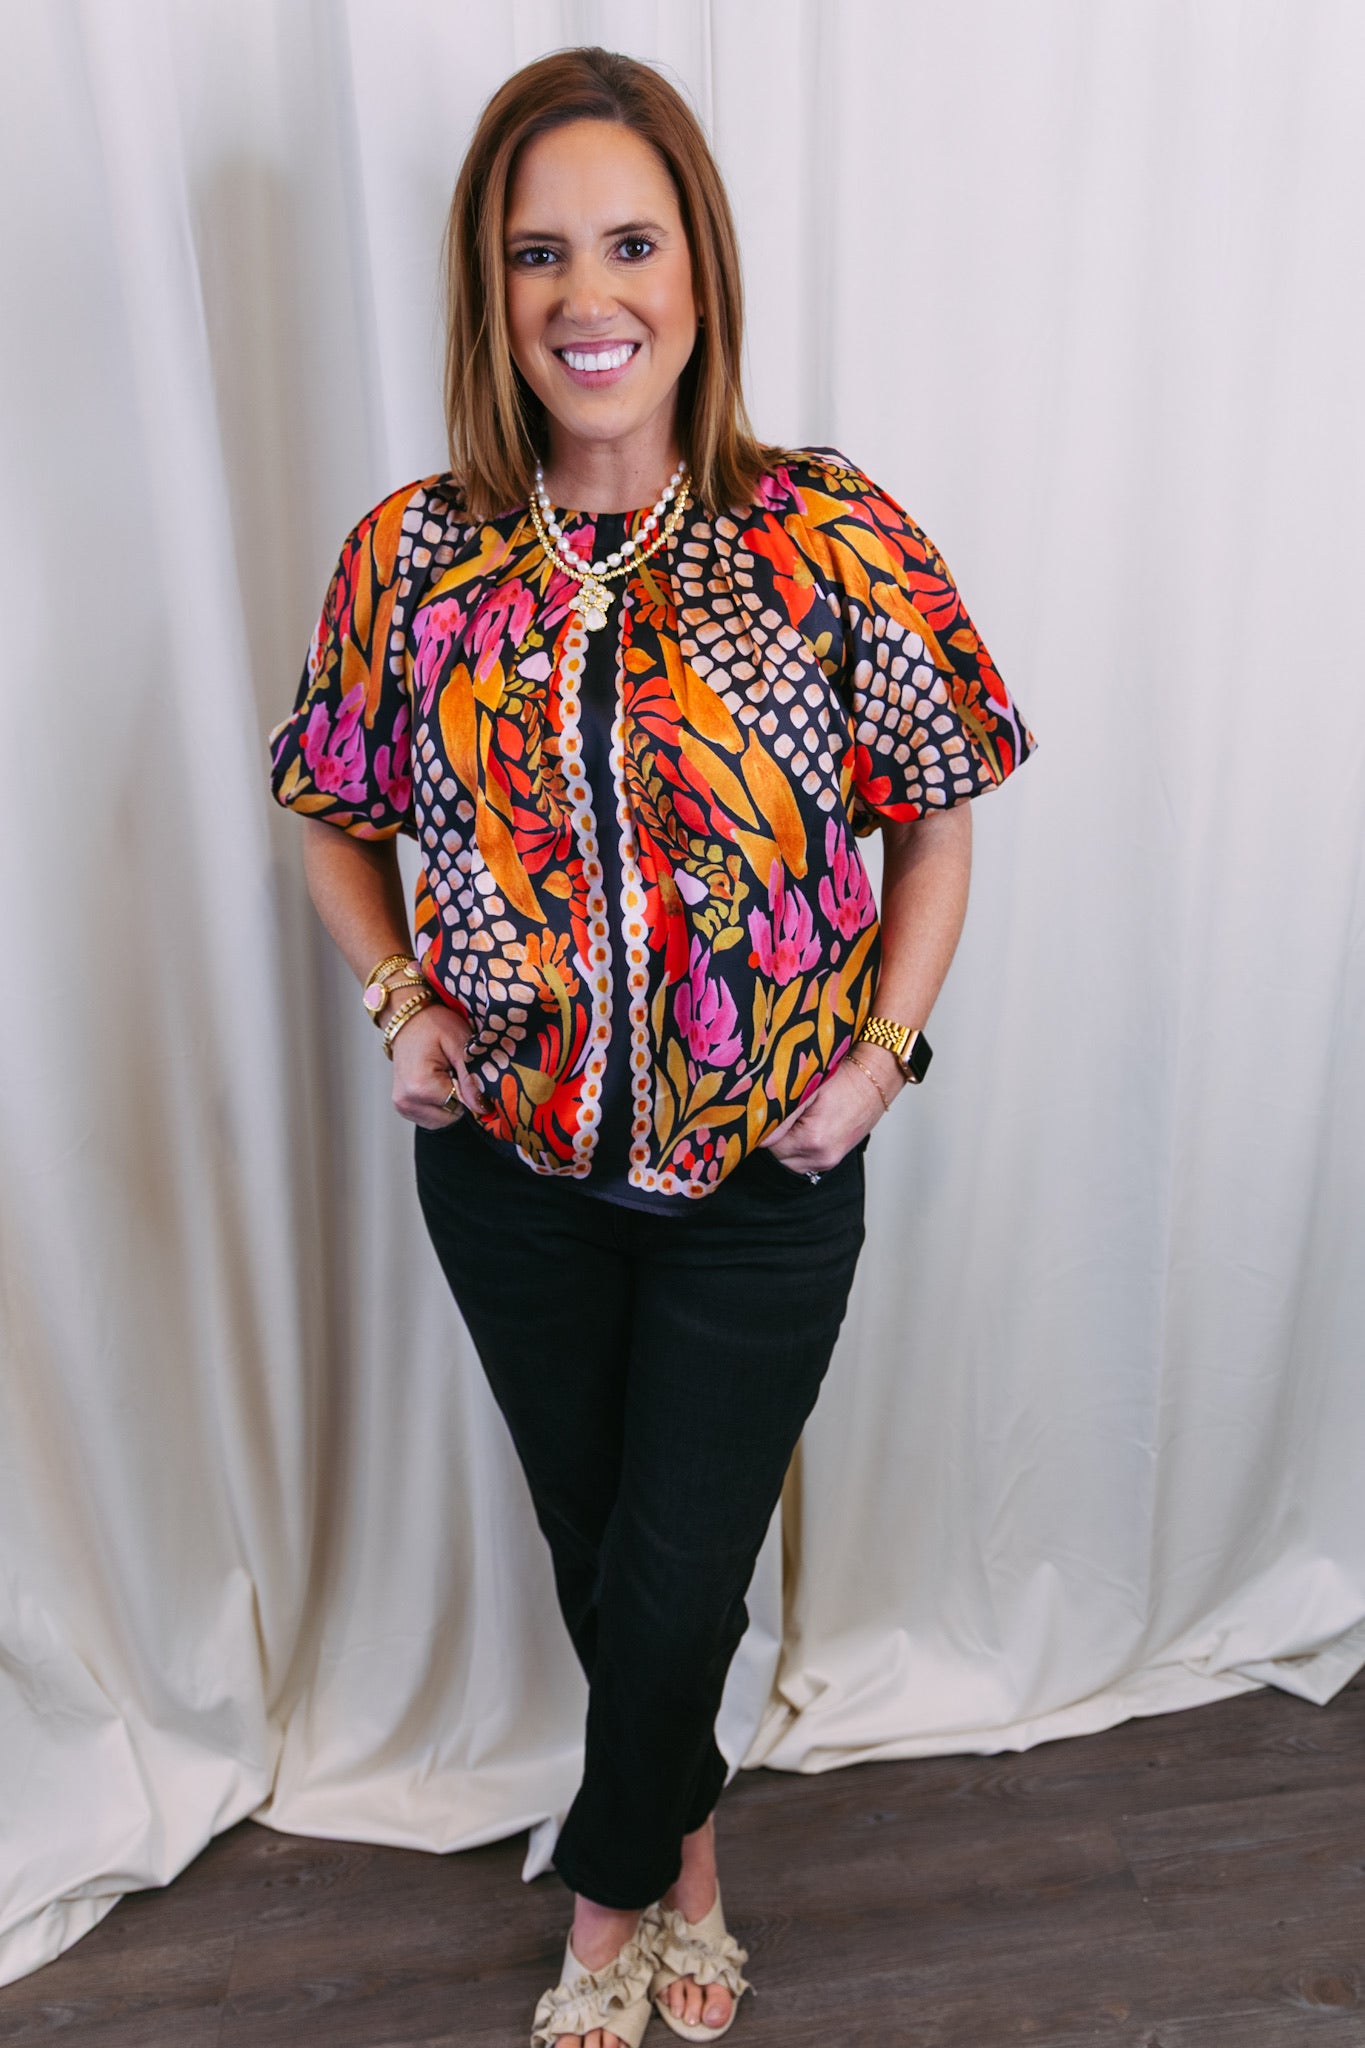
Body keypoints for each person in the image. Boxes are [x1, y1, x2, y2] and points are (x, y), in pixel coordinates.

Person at [269, 44, 1033, 2048]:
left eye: (626, 241)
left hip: (759, 1173)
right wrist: (397, 1006)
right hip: (508, 1174)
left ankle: (608, 1911)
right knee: (606, 1554)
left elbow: (935, 806)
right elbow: (327, 799)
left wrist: (878, 1061)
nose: (579, 294)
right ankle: (689, 1858)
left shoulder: (823, 537)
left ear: (697, 271)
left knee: (679, 1560)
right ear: (486, 288)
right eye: (534, 253)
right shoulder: (415, 560)